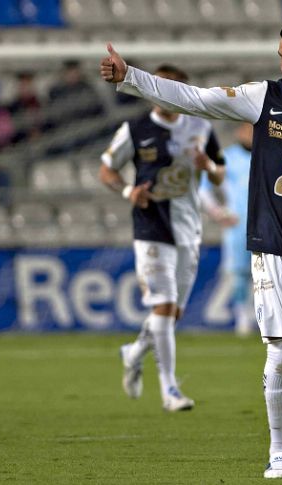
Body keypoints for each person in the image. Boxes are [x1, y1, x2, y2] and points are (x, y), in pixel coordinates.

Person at [100, 12, 282, 479]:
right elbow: (193, 98)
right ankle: (277, 452)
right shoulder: (262, 98)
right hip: (272, 247)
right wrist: (131, 76)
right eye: (280, 56)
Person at [98, 64, 227, 413]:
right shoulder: (136, 128)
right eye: (160, 87)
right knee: (163, 305)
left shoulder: (201, 125)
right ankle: (170, 389)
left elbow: (220, 173)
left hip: (188, 227)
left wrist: (208, 167)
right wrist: (127, 191)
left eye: (174, 88)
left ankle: (135, 351)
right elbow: (106, 168)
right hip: (150, 225)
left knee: (171, 314)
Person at [199, 122, 254, 337]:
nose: (251, 134)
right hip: (238, 224)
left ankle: (269, 319)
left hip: (268, 224)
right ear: (239, 131)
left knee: (272, 275)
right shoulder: (225, 157)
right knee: (239, 273)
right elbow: (204, 188)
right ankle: (243, 318)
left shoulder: (269, 155)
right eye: (248, 129)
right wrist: (218, 212)